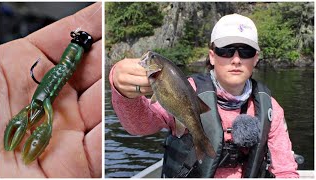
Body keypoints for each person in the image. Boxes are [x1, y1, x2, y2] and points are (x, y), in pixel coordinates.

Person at [110, 13, 299, 178]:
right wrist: (124, 92)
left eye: (246, 51)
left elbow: (285, 171)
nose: (235, 59)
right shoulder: (187, 88)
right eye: (225, 50)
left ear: (256, 58)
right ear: (212, 56)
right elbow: (139, 126)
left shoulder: (271, 108)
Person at [0, 3, 102, 178]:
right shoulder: (36, 106)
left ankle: (81, 43)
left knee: (43, 119)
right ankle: (81, 43)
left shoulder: (42, 104)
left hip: (63, 71)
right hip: (53, 84)